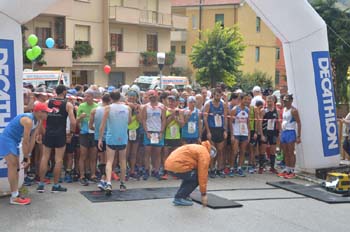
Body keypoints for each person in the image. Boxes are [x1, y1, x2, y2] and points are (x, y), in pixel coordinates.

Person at [0, 103, 49, 205]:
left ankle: (15, 194)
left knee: (16, 167)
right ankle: (14, 197)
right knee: (13, 166)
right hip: (7, 140)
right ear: (39, 112)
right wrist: (26, 157)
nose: (47, 114)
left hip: (14, 141)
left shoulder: (38, 121)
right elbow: (25, 141)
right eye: (46, 112)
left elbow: (32, 139)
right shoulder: (28, 120)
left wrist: (28, 156)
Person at [37, 85, 76, 193]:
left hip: (49, 133)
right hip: (60, 134)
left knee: (45, 157)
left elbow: (41, 118)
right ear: (64, 92)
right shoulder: (68, 104)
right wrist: (71, 133)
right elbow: (73, 122)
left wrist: (41, 132)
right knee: (58, 160)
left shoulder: (48, 102)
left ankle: (41, 184)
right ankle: (56, 185)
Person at [165, 141, 216, 206]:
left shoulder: (198, 147)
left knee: (190, 176)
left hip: (170, 164)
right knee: (196, 178)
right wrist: (203, 194)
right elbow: (202, 175)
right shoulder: (205, 154)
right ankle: (180, 197)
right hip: (177, 166)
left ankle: (183, 195)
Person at [98, 91, 131, 195]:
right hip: (123, 137)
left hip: (111, 137)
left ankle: (108, 183)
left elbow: (102, 125)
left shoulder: (108, 108)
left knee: (109, 161)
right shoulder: (127, 108)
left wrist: (100, 139)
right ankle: (122, 183)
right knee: (122, 160)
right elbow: (129, 121)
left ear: (111, 98)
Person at [203, 88, 228, 178]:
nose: (218, 97)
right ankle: (212, 168)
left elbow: (225, 117)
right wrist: (208, 131)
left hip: (220, 129)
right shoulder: (208, 104)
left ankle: (219, 168)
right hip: (212, 128)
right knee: (212, 151)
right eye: (217, 95)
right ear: (213, 94)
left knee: (220, 150)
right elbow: (205, 118)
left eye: (220, 95)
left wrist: (225, 130)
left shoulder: (223, 105)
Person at [77, 89, 98, 186]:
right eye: (85, 96)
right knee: (83, 155)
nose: (86, 98)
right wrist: (81, 117)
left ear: (93, 97)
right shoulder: (81, 106)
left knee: (93, 156)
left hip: (93, 133)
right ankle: (82, 175)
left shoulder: (97, 106)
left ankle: (93, 175)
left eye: (88, 96)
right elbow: (76, 122)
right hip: (84, 133)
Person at [278, 94, 301, 179]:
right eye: (284, 101)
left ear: (291, 101)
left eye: (287, 101)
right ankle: (287, 168)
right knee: (285, 152)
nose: (285, 103)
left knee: (291, 152)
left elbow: (298, 122)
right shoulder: (283, 109)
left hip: (291, 132)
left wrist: (298, 136)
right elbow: (283, 121)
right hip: (284, 132)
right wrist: (281, 132)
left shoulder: (294, 110)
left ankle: (292, 170)